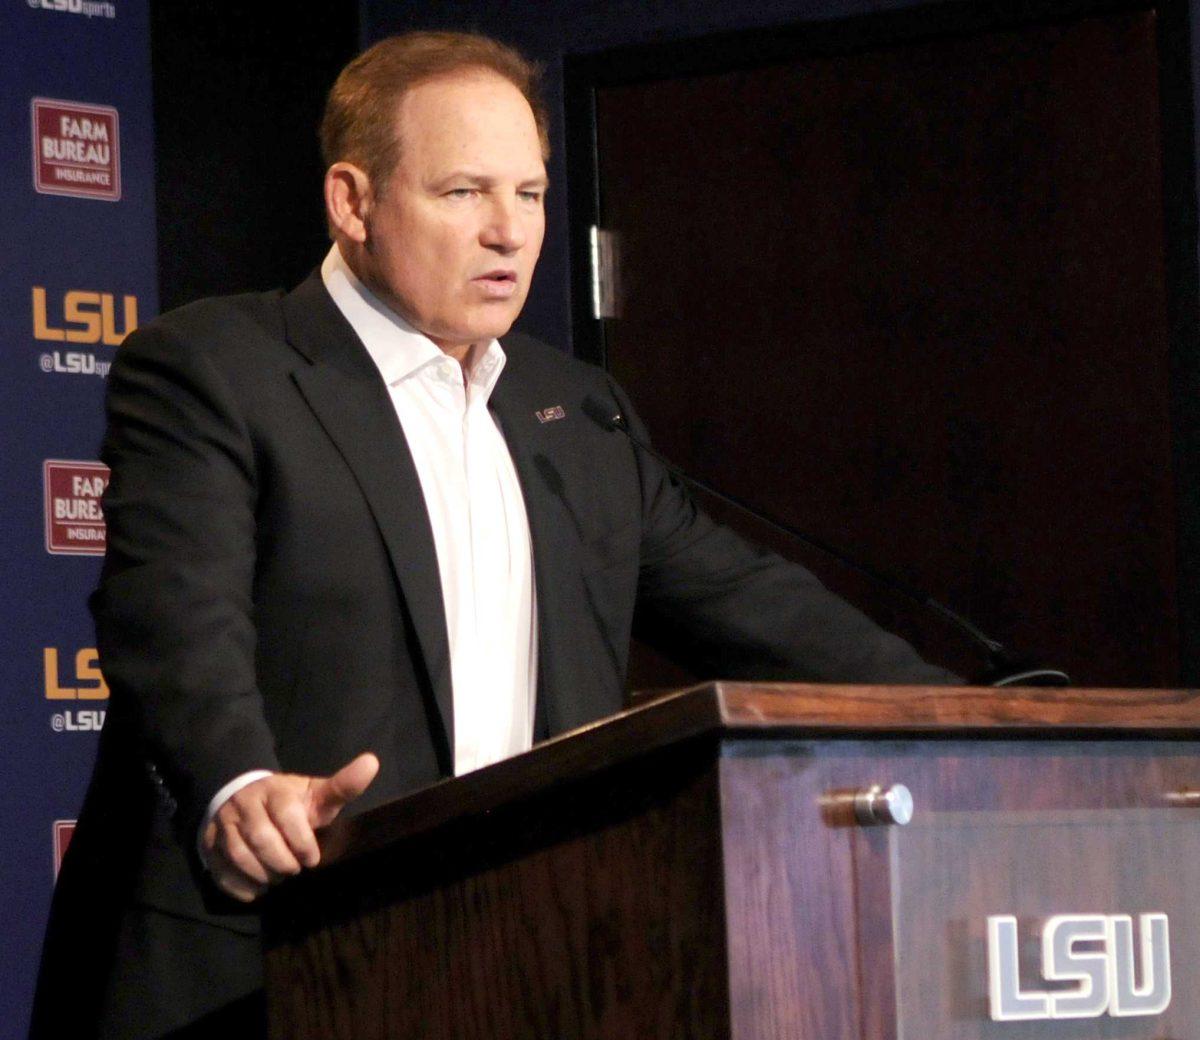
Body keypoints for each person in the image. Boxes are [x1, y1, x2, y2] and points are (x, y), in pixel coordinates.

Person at [30, 30, 955, 1040]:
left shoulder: (577, 411)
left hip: (508, 961)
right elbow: (175, 611)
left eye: (531, 193)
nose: (510, 232)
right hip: (257, 965)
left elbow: (756, 607)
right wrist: (240, 780)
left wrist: (973, 724)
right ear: (353, 201)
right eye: (465, 192)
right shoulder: (217, 367)